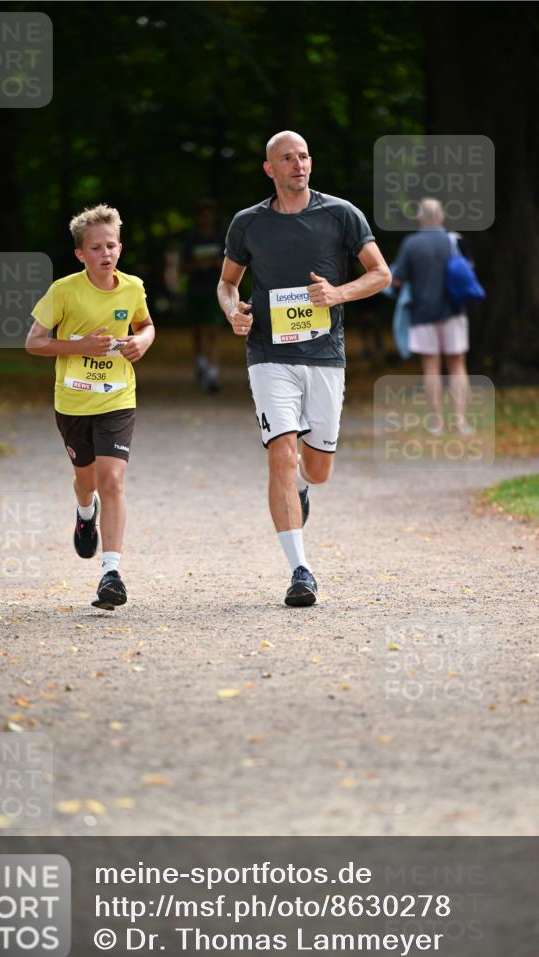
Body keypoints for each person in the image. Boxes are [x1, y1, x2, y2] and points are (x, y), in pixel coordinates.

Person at [217, 131, 391, 607]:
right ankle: (300, 570)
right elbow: (228, 283)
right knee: (281, 453)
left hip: (324, 358)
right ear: (269, 169)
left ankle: (301, 488)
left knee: (317, 469)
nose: (299, 164)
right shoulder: (248, 223)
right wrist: (233, 311)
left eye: (304, 156)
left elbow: (381, 274)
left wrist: (337, 293)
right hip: (268, 355)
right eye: (287, 158)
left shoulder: (340, 214)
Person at [25, 204, 155, 610]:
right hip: (74, 400)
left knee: (113, 479)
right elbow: (34, 342)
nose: (106, 253)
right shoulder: (64, 291)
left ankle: (111, 573)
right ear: (81, 254)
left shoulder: (132, 287)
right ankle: (85, 513)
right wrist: (79, 345)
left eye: (111, 245)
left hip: (117, 396)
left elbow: (145, 324)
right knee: (88, 482)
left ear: (120, 247)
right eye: (96, 247)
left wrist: (142, 343)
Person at [392, 198, 472, 434]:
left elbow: (397, 279)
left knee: (431, 368)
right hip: (454, 311)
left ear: (420, 218)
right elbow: (468, 272)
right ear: (441, 217)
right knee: (457, 366)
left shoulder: (411, 244)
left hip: (422, 312)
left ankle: (437, 423)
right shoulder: (454, 240)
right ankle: (460, 422)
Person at [182, 199, 225, 392]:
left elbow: (231, 264)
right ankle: (201, 363)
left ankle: (213, 375)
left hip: (215, 291)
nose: (207, 219)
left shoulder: (221, 238)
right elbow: (182, 267)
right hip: (196, 290)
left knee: (214, 332)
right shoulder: (192, 240)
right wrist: (201, 264)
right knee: (198, 332)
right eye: (203, 215)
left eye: (210, 215)